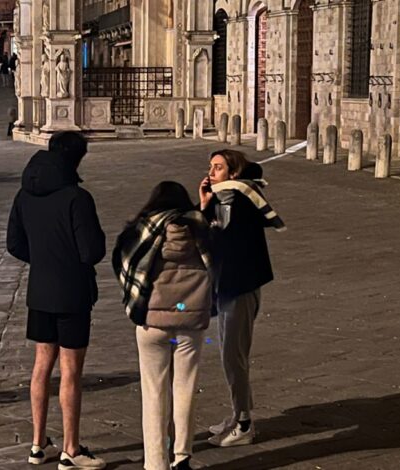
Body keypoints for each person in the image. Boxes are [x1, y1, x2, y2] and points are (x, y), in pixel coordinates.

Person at [6, 131, 107, 470]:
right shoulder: (76, 198)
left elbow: (14, 244)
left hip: (39, 290)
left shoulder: (24, 193)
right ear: (76, 158)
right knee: (71, 372)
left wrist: (43, 258)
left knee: (40, 367)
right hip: (72, 292)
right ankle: (71, 449)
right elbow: (91, 251)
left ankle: (37, 445)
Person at [112, 181, 213, 470]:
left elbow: (121, 261)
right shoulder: (201, 228)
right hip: (190, 320)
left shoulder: (141, 230)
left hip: (152, 322)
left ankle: (156, 462)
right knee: (185, 389)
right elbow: (220, 260)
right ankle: (182, 456)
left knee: (154, 392)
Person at [198, 149, 284, 448]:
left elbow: (221, 240)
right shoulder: (226, 200)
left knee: (233, 355)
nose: (211, 173)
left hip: (239, 286)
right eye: (210, 167)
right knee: (231, 354)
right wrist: (206, 204)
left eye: (218, 168)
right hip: (229, 286)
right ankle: (237, 414)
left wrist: (208, 208)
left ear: (233, 173)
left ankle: (244, 422)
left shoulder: (242, 200)